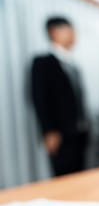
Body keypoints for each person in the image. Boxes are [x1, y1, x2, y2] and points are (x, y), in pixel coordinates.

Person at [31, 16, 89, 176]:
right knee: (63, 175)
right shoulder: (42, 62)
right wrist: (49, 130)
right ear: (54, 32)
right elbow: (39, 98)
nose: (74, 35)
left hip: (79, 131)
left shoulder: (73, 64)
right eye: (70, 31)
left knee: (79, 174)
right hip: (60, 134)